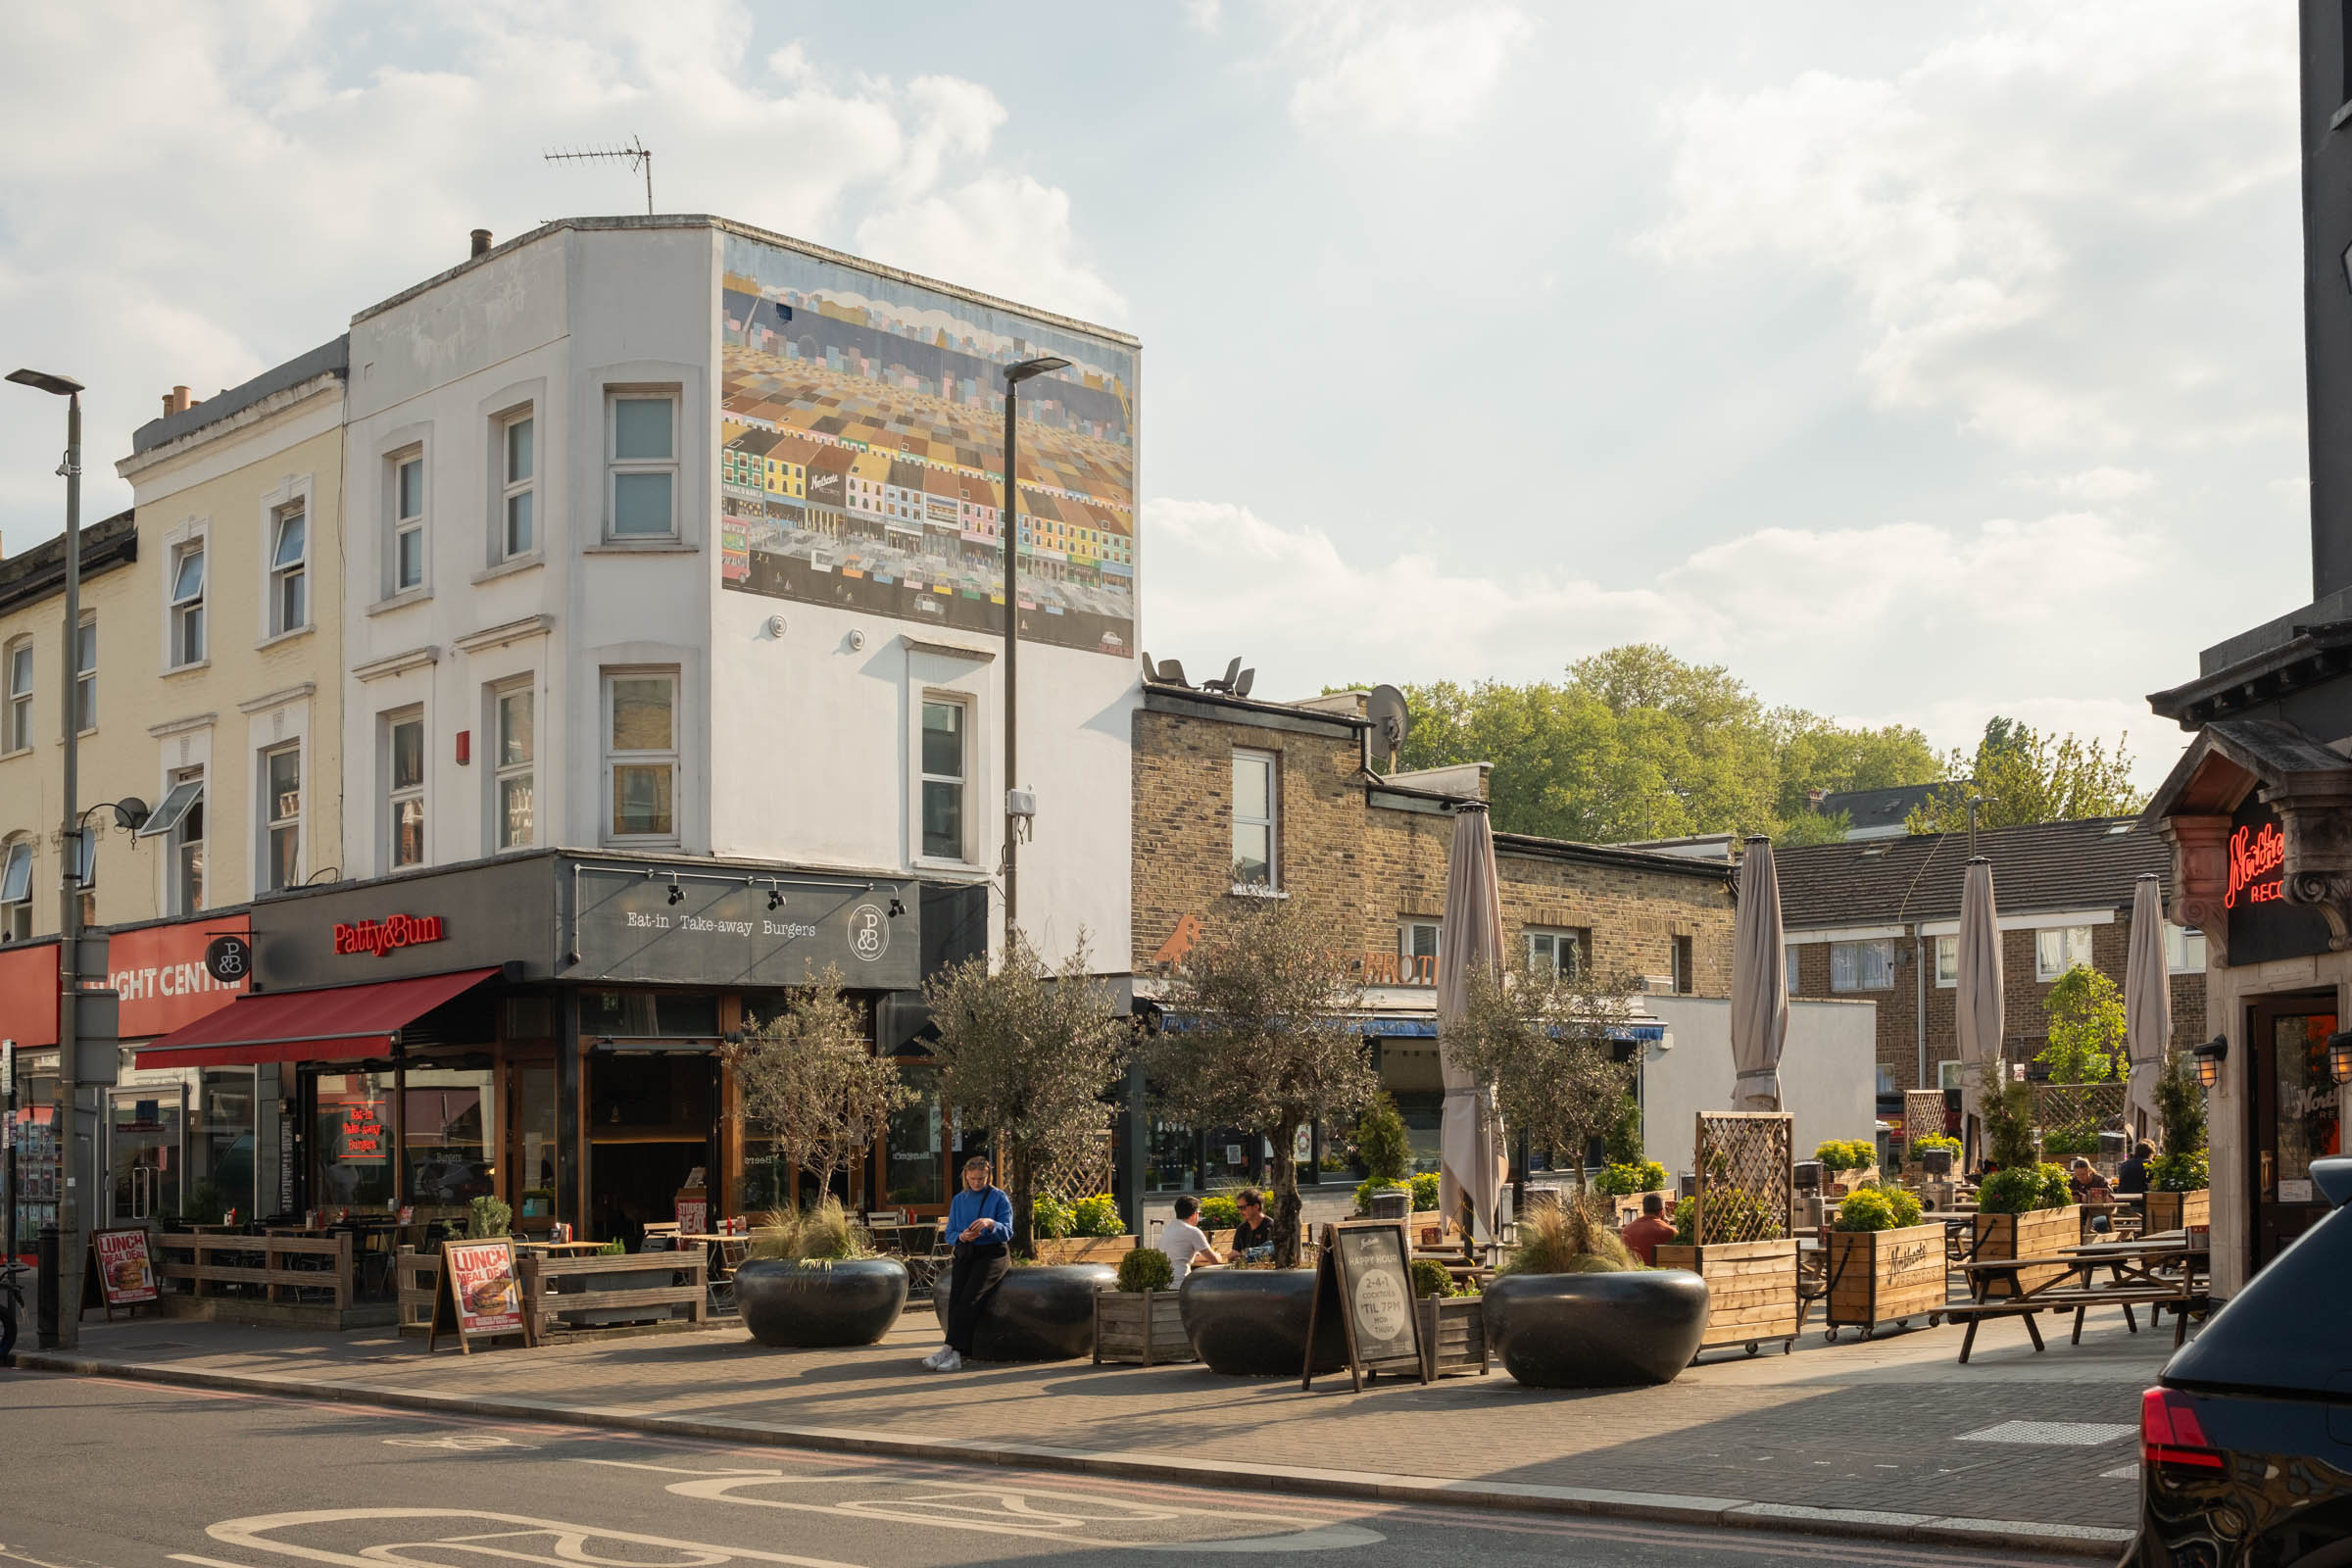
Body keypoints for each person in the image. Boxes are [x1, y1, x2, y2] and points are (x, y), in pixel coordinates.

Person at [922, 1156, 1011, 1372]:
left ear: (988, 1176)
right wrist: (962, 1236)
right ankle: (950, 1351)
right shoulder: (959, 1200)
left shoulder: (999, 1197)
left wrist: (990, 1224)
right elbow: (950, 1233)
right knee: (956, 1299)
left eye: (981, 1178)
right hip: (967, 1252)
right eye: (972, 1179)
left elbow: (1008, 1231)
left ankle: (953, 1351)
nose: (977, 1183)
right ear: (966, 1177)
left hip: (993, 1253)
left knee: (971, 1297)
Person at [1158, 1195, 1222, 1285]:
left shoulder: (1169, 1229)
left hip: (1164, 1283)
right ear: (1195, 1213)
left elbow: (1179, 1255)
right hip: (1181, 1284)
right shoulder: (1193, 1231)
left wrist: (1200, 1257)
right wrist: (1219, 1256)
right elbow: (1215, 1261)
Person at [1619, 1192, 1677, 1265]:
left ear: (1643, 1210)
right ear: (1662, 1212)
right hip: (1660, 1274)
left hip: (1631, 1274)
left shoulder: (1626, 1230)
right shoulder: (1669, 1231)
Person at [1229, 1190, 1274, 1261]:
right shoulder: (1241, 1229)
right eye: (1238, 1208)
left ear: (1256, 1206)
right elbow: (1235, 1253)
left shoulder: (1271, 1227)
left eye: (1243, 1208)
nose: (1240, 1212)